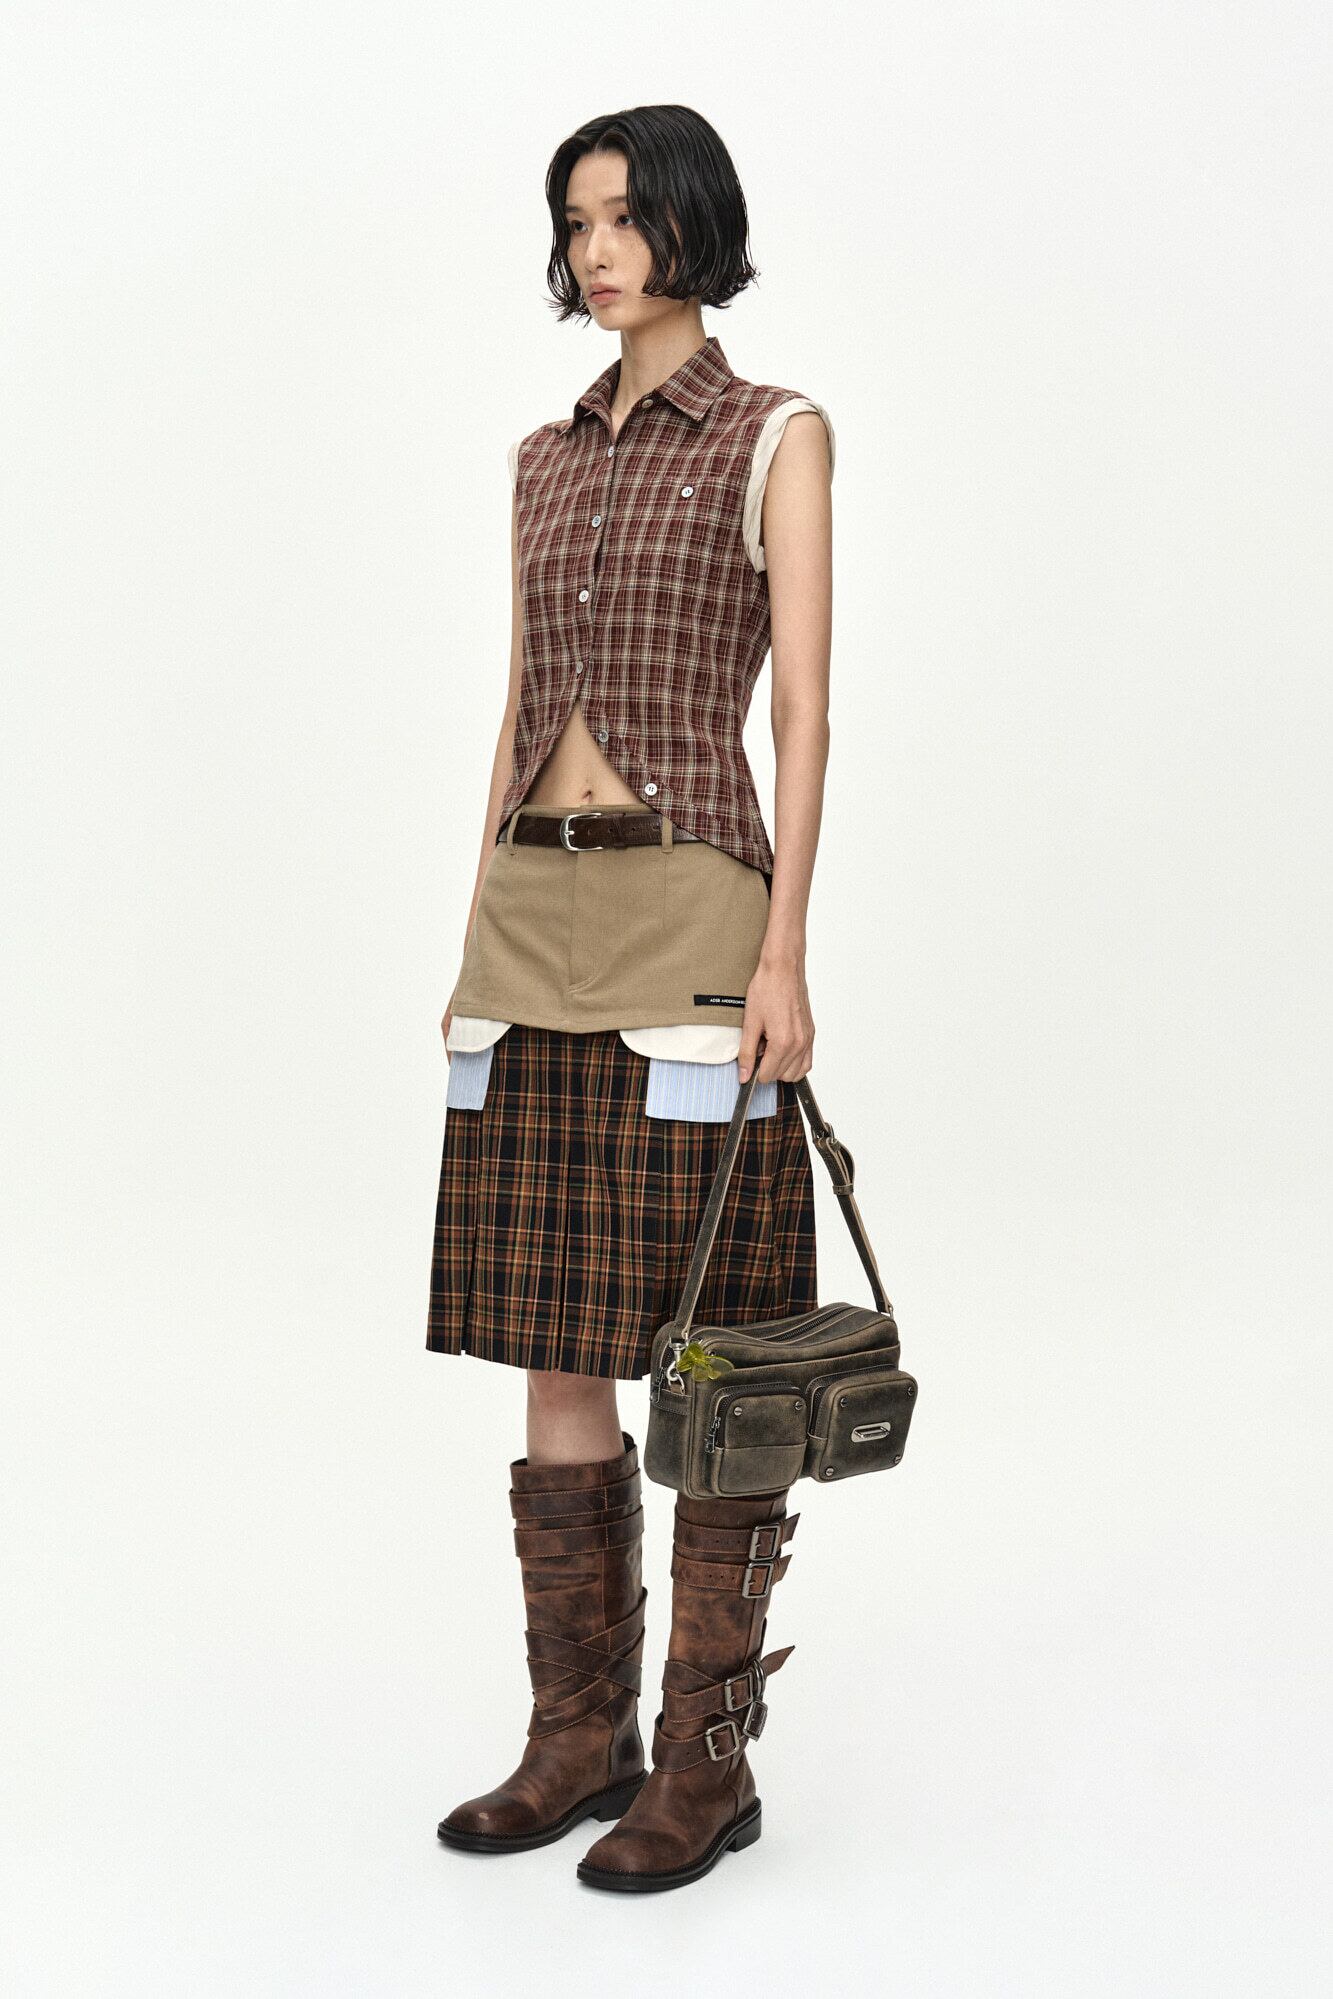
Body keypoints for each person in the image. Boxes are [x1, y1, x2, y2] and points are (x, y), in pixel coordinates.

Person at [427, 102, 834, 1892]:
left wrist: (783, 954)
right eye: (574, 222)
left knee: (715, 1344)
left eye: (623, 217)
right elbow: (519, 702)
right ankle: (573, 1736)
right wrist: (472, 930)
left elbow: (803, 714)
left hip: (691, 909)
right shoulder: (538, 457)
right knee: (552, 1334)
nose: (596, 251)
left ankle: (703, 1764)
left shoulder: (775, 433)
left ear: (689, 225)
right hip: (532, 917)